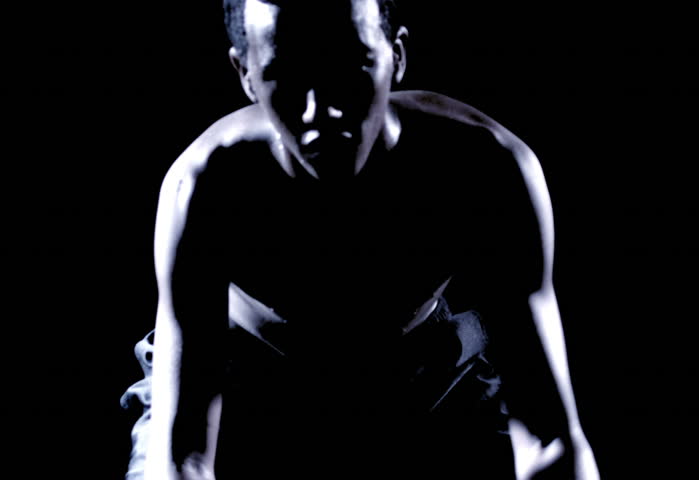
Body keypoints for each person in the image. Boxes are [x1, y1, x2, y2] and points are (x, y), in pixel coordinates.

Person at [125, 0, 599, 478]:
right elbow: (183, 453)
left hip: (427, 379)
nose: (321, 111)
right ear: (246, 74)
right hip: (241, 382)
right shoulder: (205, 186)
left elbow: (549, 437)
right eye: (285, 75)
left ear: (397, 55)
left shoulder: (485, 168)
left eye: (350, 68)